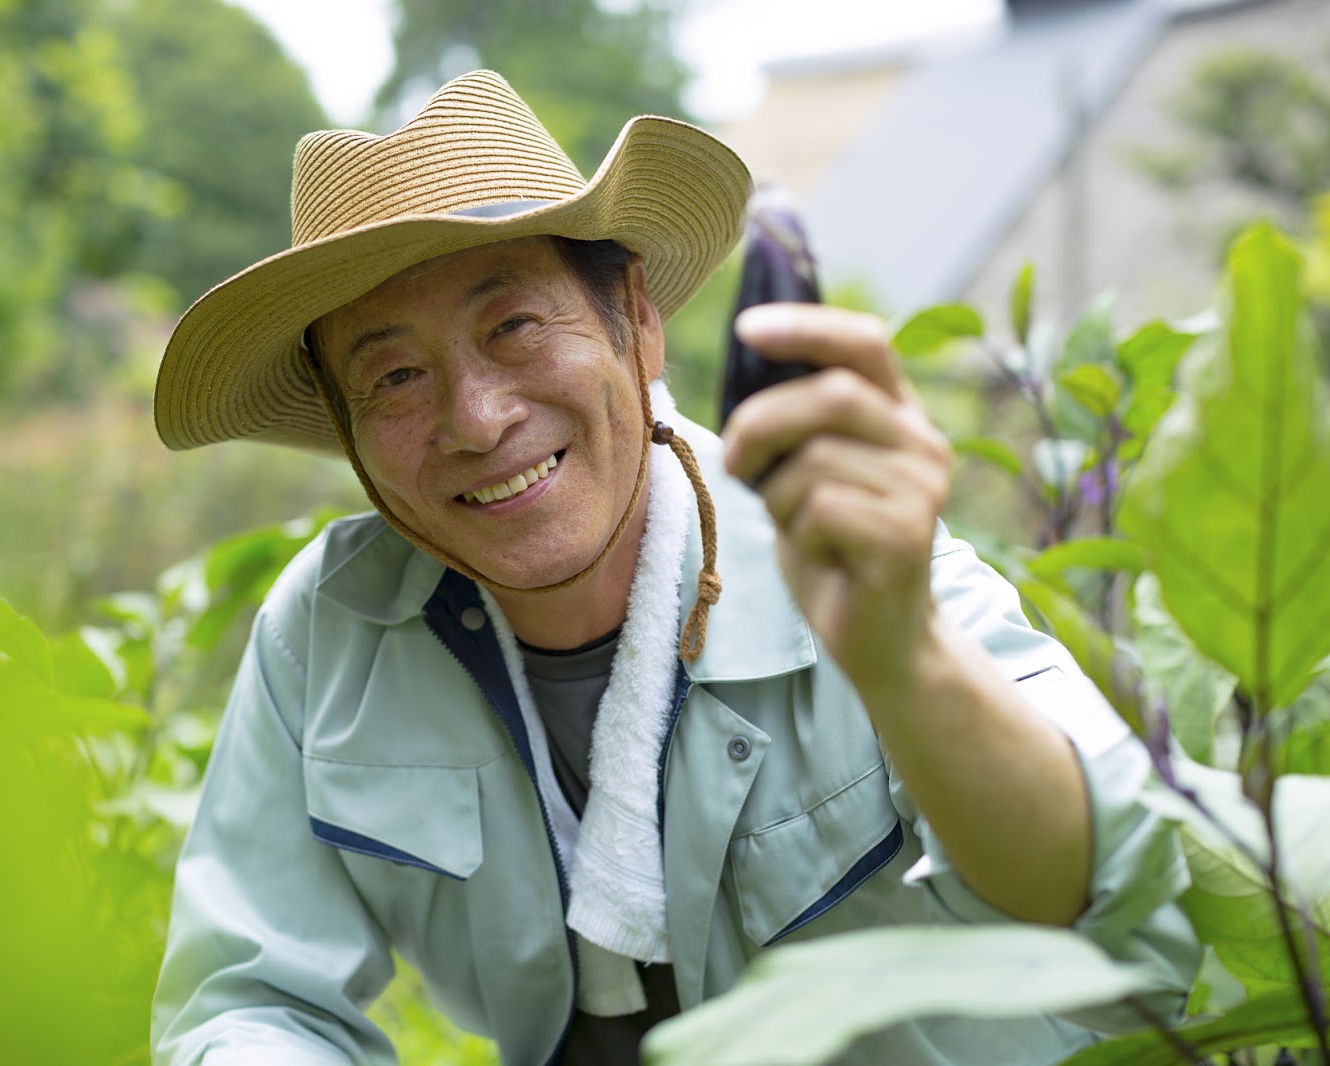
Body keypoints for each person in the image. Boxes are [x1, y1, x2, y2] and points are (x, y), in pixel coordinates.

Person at [149, 71, 1199, 1066]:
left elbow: (1103, 885)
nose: (476, 419)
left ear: (636, 321)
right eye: (395, 376)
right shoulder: (330, 630)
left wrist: (902, 655)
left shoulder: (838, 548)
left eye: (512, 324)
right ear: (347, 433)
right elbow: (247, 996)